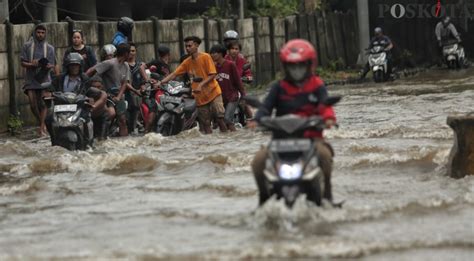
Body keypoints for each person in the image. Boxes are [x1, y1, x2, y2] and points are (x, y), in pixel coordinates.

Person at [248, 39, 337, 206]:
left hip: (311, 138)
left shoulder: (317, 85)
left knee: (325, 156)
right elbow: (265, 107)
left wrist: (329, 118)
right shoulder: (278, 87)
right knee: (258, 162)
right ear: (285, 67)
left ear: (310, 65)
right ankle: (263, 197)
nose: (297, 70)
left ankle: (328, 195)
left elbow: (325, 105)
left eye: (301, 66)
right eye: (292, 66)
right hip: (280, 140)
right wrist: (257, 119)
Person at [158, 36, 227, 134]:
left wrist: (201, 85)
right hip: (200, 97)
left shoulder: (206, 57)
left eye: (189, 46)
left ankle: (225, 139)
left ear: (196, 45)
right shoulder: (187, 62)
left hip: (213, 93)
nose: (187, 48)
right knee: (206, 123)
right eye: (186, 46)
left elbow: (213, 74)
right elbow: (174, 74)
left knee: (220, 118)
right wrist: (160, 82)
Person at [47, 53, 108, 140]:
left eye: (76, 65)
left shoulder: (85, 79)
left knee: (86, 119)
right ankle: (53, 139)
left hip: (79, 107)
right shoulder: (60, 78)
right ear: (68, 66)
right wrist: (49, 94)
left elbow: (92, 92)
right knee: (48, 119)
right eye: (72, 65)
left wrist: (90, 100)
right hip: (61, 107)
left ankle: (88, 141)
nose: (74, 68)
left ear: (80, 66)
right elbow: (49, 90)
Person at [20, 24, 60, 136]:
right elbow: (22, 62)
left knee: (43, 104)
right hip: (31, 79)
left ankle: (42, 127)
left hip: (44, 79)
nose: (40, 35)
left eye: (42, 32)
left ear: (45, 34)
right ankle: (42, 123)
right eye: (38, 32)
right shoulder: (27, 46)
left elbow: (52, 64)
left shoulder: (50, 48)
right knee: (33, 104)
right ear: (34, 33)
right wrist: (32, 64)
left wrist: (46, 66)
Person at [86, 43, 132, 136]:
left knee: (123, 119)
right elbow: (91, 71)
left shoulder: (126, 65)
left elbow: (124, 83)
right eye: (129, 53)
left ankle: (125, 142)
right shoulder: (110, 63)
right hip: (107, 95)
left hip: (119, 96)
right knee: (111, 113)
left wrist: (119, 96)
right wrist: (84, 82)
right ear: (126, 54)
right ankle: (102, 135)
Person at [210, 44, 245, 131]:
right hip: (221, 98)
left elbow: (238, 81)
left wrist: (243, 95)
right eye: (211, 53)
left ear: (221, 54)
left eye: (214, 53)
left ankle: (235, 138)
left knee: (227, 119)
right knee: (219, 121)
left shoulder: (230, 65)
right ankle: (226, 139)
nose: (212, 55)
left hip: (232, 97)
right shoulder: (213, 67)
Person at [225, 40, 253, 120]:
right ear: (228, 50)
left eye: (236, 49)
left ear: (239, 50)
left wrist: (248, 77)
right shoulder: (224, 60)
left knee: (244, 103)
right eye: (232, 48)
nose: (234, 51)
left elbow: (247, 72)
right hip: (226, 87)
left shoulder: (242, 60)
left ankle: (251, 121)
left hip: (239, 87)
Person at [126, 43, 148, 134]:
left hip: (139, 94)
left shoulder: (140, 65)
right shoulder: (123, 65)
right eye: (129, 51)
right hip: (127, 93)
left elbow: (145, 79)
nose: (131, 53)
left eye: (133, 51)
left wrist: (143, 87)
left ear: (136, 52)